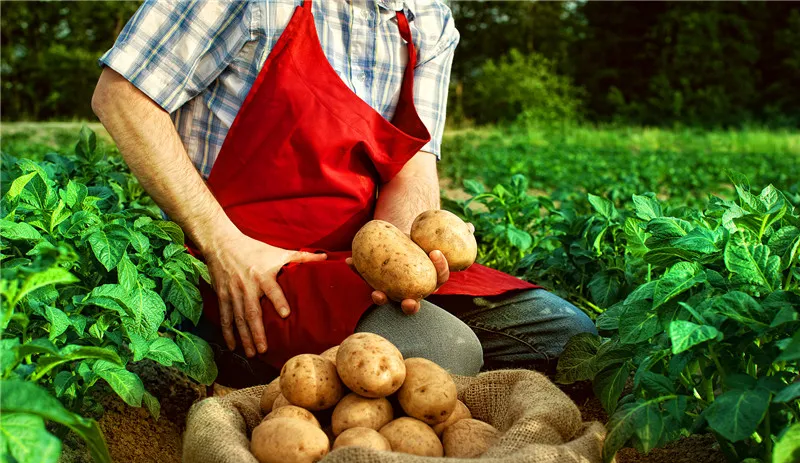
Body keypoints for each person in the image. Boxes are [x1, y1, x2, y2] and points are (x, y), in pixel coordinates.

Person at [92, 0, 597, 387]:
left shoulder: (426, 17)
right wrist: (223, 245)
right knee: (446, 351)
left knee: (568, 334)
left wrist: (400, 263)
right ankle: (245, 365)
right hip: (248, 261)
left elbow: (413, 164)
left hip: (351, 263)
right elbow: (122, 96)